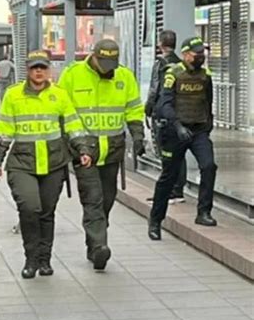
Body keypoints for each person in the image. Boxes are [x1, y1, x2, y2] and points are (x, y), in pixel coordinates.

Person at [0, 51, 92, 278]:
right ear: (27, 70)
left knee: (47, 212)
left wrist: (83, 149)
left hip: (54, 162)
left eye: (42, 68)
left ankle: (44, 260)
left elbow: (73, 125)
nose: (38, 72)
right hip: (22, 163)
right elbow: (5, 129)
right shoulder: (13, 95)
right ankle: (30, 259)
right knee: (29, 208)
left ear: (49, 70)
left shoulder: (59, 95)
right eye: (34, 68)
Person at [58, 39, 145, 270]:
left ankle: (93, 240)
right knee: (93, 198)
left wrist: (138, 136)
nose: (108, 68)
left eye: (112, 63)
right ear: (93, 56)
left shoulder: (124, 77)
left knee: (107, 198)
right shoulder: (73, 75)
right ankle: (99, 247)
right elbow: (63, 111)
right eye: (104, 62)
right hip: (83, 150)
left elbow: (134, 109)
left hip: (113, 150)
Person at [148, 37, 218, 240]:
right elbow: (165, 104)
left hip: (198, 131)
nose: (201, 57)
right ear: (186, 54)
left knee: (209, 166)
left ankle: (204, 212)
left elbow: (208, 100)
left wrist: (208, 125)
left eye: (202, 54)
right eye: (197, 54)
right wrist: (177, 126)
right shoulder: (173, 73)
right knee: (169, 177)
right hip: (175, 132)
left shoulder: (205, 75)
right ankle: (155, 220)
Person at [145, 30, 187, 204]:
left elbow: (155, 89)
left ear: (160, 44)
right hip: (179, 113)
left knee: (166, 153)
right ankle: (178, 189)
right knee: (179, 152)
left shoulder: (160, 63)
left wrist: (148, 109)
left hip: (162, 113)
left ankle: (170, 190)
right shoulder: (182, 64)